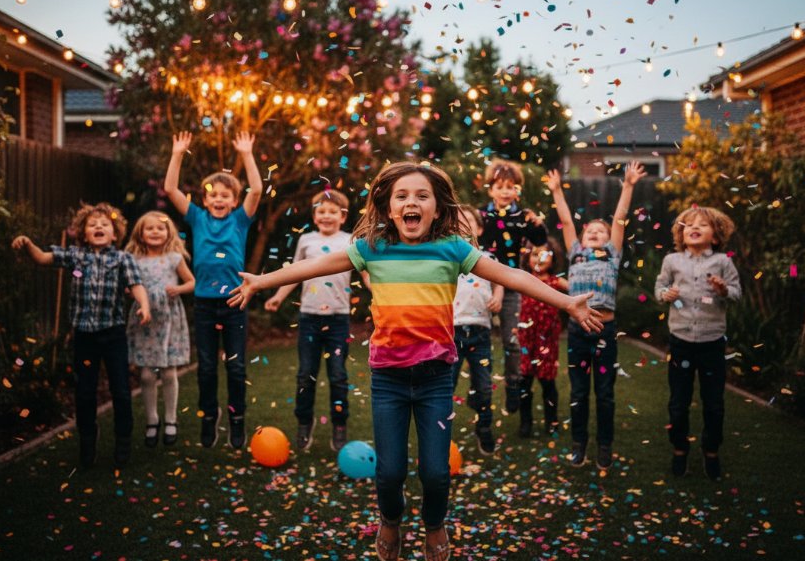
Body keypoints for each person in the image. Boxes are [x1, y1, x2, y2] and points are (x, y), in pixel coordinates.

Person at [226, 161, 603, 561]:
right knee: (389, 473)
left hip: (436, 378)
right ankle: (390, 521)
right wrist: (262, 280)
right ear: (389, 208)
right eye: (402, 196)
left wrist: (566, 301)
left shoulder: (454, 249)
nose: (412, 202)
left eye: (422, 196)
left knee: (437, 473)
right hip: (388, 378)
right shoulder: (372, 248)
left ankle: (434, 525)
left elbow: (512, 276)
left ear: (437, 209)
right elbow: (314, 266)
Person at [12, 203, 151, 469]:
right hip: (84, 338)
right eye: (92, 224)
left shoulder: (123, 259)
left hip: (113, 336)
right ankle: (88, 442)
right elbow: (42, 257)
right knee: (85, 394)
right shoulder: (76, 256)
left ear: (115, 234)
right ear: (83, 234)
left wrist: (143, 305)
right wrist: (28, 244)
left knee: (121, 391)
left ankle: (123, 440)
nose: (98, 227)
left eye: (104, 224)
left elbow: (136, 285)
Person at [163, 130, 262, 449]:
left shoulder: (239, 221)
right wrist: (177, 153)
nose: (219, 199)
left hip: (234, 302)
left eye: (225, 195)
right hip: (205, 305)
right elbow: (170, 189)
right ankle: (209, 417)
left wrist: (247, 153)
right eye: (213, 195)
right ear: (204, 200)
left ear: (233, 201)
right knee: (206, 367)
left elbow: (257, 189)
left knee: (235, 366)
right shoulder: (197, 218)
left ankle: (236, 419)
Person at [547, 161, 646, 469]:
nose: (595, 232)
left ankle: (604, 445)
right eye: (591, 229)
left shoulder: (612, 255)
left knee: (604, 394)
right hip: (578, 333)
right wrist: (555, 192)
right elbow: (564, 219)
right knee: (578, 392)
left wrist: (628, 186)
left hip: (604, 331)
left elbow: (619, 219)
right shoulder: (575, 251)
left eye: (600, 231)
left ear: (607, 239)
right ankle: (579, 444)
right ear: (583, 236)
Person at [264, 189, 356, 452]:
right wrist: (279, 297)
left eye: (332, 211)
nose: (326, 216)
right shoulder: (306, 240)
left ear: (342, 216)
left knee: (338, 375)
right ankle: (304, 423)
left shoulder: (350, 241)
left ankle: (340, 424)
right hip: (309, 319)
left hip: (339, 319)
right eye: (321, 211)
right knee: (306, 375)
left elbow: (366, 273)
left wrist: (379, 292)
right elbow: (294, 273)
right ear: (315, 216)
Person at [654, 206, 741, 480]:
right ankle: (680, 449)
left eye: (703, 225)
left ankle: (711, 452)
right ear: (682, 232)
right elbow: (659, 289)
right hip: (680, 342)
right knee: (678, 403)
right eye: (689, 224)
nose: (695, 228)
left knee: (713, 403)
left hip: (712, 343)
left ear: (715, 236)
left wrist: (723, 289)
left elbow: (737, 294)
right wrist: (666, 294)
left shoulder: (723, 263)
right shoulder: (672, 261)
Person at [478, 160, 549, 415]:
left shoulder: (523, 217)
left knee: (511, 341)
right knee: (478, 339)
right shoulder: (482, 216)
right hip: (482, 285)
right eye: (500, 186)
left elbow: (541, 241)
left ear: (517, 190)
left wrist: (539, 224)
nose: (506, 191)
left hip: (511, 284)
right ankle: (479, 387)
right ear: (491, 190)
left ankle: (513, 385)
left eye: (511, 187)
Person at [125, 211, 195, 448]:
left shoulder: (174, 258)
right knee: (146, 374)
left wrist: (179, 290)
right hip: (145, 321)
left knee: (168, 372)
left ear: (169, 233)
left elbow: (192, 282)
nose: (155, 232)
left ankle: (171, 419)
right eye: (150, 228)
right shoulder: (133, 259)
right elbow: (128, 284)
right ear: (140, 233)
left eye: (160, 228)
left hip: (169, 320)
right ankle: (152, 419)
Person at [451, 204, 503, 456]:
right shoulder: (447, 258)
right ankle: (440, 433)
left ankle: (484, 428)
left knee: (483, 385)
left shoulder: (489, 259)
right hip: (451, 333)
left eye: (468, 221)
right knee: (446, 386)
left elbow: (501, 280)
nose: (462, 225)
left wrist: (499, 296)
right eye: (456, 222)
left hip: (481, 331)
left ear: (479, 229)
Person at [517, 238, 568, 440]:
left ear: (553, 258)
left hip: (548, 340)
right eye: (535, 253)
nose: (540, 257)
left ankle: (552, 422)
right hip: (526, 340)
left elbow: (575, 290)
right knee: (525, 383)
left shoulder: (555, 281)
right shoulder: (523, 279)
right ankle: (525, 423)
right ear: (527, 258)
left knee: (548, 383)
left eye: (545, 253)